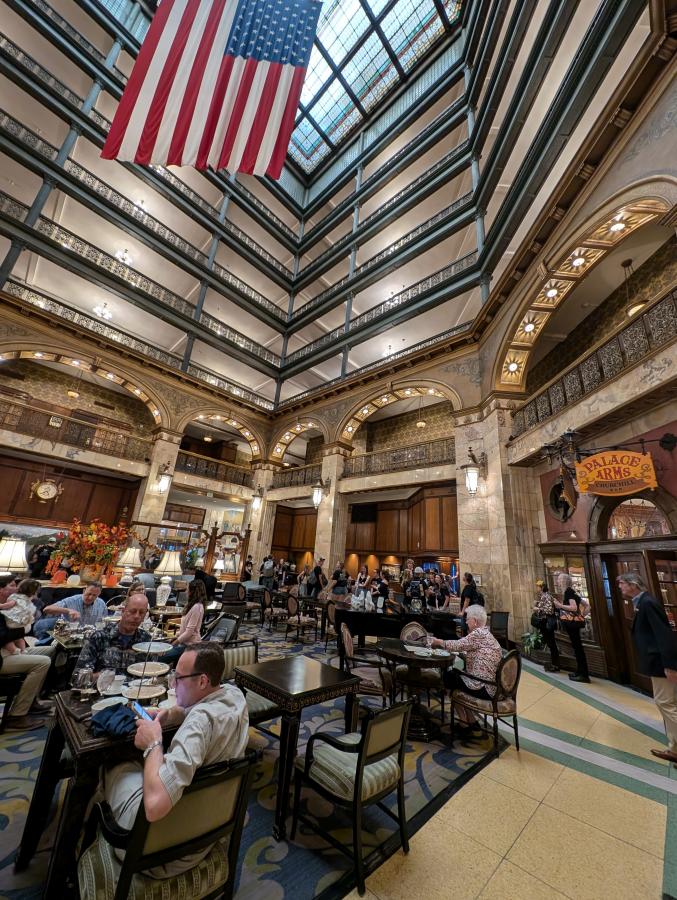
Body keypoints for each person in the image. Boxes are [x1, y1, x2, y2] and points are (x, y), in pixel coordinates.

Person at [103, 643, 249, 876]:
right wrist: (172, 713)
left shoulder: (198, 724)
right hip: (210, 823)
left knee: (113, 765)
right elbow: (205, 707)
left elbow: (154, 806)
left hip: (161, 852)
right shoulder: (234, 694)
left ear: (202, 681)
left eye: (179, 678)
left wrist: (154, 743)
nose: (174, 683)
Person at [618, 572, 677, 765]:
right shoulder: (641, 602)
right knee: (666, 702)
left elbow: (664, 634)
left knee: (666, 703)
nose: (620, 587)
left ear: (633, 584)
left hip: (661, 663)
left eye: (622, 584)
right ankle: (674, 747)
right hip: (658, 663)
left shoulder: (648, 603)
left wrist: (670, 664)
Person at [429, 604, 502, 731]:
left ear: (474, 621)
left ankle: (464, 721)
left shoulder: (478, 633)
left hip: (481, 686)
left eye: (467, 619)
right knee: (457, 678)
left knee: (448, 677)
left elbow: (458, 645)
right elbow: (475, 651)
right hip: (491, 687)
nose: (466, 622)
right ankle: (471, 720)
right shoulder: (487, 634)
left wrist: (438, 642)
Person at [74, 593, 151, 676]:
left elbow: (151, 674)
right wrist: (103, 676)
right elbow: (79, 677)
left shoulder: (145, 640)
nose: (136, 616)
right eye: (132, 611)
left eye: (141, 613)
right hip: (102, 687)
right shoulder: (100, 637)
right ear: (123, 611)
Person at [33, 583, 107, 638]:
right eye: (89, 594)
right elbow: (47, 609)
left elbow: (104, 622)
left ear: (99, 594)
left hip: (90, 637)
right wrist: (68, 610)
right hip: (69, 635)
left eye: (94, 595)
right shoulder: (72, 600)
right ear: (84, 590)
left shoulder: (101, 604)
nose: (90, 597)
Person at [554, 573, 590, 683]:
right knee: (577, 648)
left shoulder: (568, 591)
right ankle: (580, 672)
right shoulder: (572, 591)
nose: (558, 582)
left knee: (578, 648)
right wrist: (582, 616)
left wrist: (560, 606)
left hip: (572, 625)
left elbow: (573, 608)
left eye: (559, 580)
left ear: (564, 581)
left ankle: (583, 674)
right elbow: (588, 605)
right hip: (574, 624)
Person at [163, 580, 207, 663]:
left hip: (191, 645)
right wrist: (175, 637)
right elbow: (184, 628)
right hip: (183, 642)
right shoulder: (190, 605)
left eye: (188, 589)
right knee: (161, 647)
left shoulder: (197, 607)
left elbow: (189, 632)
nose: (186, 591)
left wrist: (175, 643)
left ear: (193, 592)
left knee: (163, 656)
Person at [1, 577, 41, 652]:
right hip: (20, 626)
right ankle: (20, 650)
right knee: (15, 640)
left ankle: (19, 650)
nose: (15, 588)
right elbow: (4, 637)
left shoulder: (16, 598)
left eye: (16, 585)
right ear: (1, 589)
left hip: (19, 626)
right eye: (12, 585)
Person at [532, 580, 560, 671]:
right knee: (550, 643)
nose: (536, 588)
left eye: (537, 586)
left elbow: (549, 610)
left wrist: (537, 609)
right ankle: (554, 663)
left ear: (542, 587)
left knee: (551, 643)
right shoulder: (542, 596)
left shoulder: (547, 596)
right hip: (544, 623)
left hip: (547, 623)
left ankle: (556, 665)